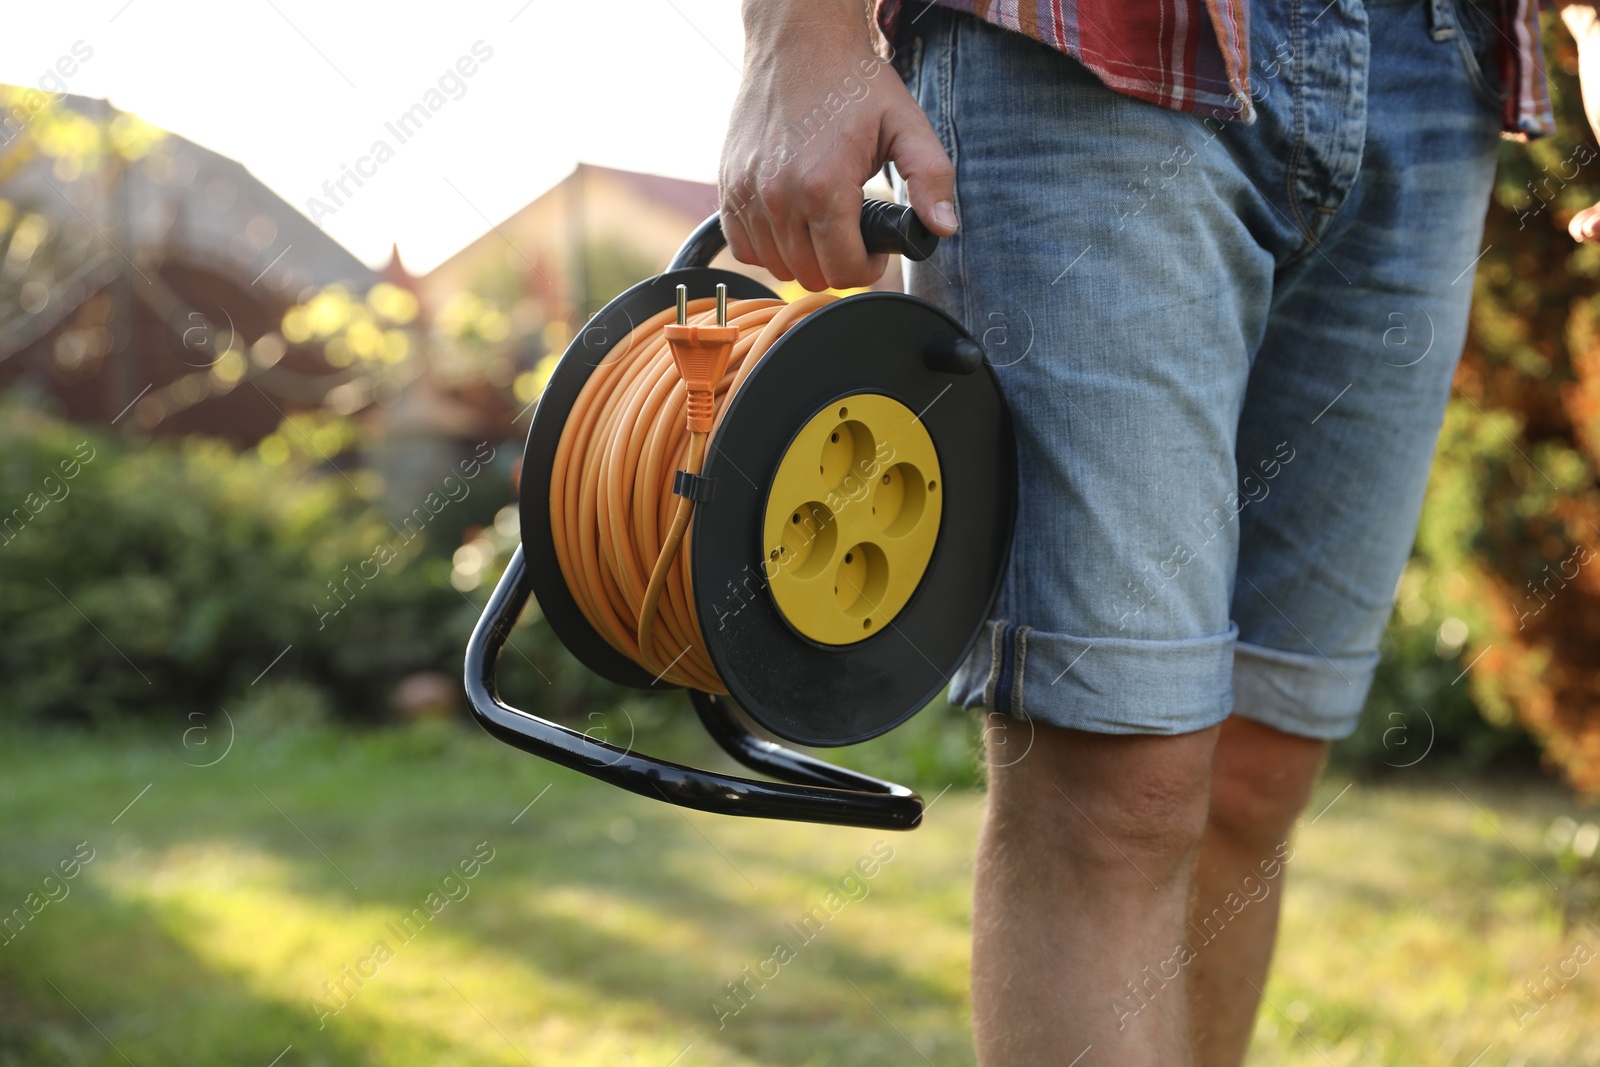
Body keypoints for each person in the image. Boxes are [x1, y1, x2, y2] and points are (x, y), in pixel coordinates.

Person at [719, 0, 1582, 1064]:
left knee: (1257, 768)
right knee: (1117, 784)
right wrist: (796, 34)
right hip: (1085, 42)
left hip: (1433, 65)